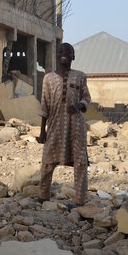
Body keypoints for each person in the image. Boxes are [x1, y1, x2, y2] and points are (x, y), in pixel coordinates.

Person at [36, 43, 91, 206]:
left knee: (80, 162)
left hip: (76, 127)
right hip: (54, 126)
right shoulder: (48, 78)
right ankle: (43, 196)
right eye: (61, 51)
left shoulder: (80, 76)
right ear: (56, 55)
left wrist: (79, 106)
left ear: (73, 56)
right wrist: (42, 131)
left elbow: (86, 98)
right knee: (47, 161)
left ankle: (80, 200)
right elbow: (44, 104)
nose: (64, 53)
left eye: (68, 51)